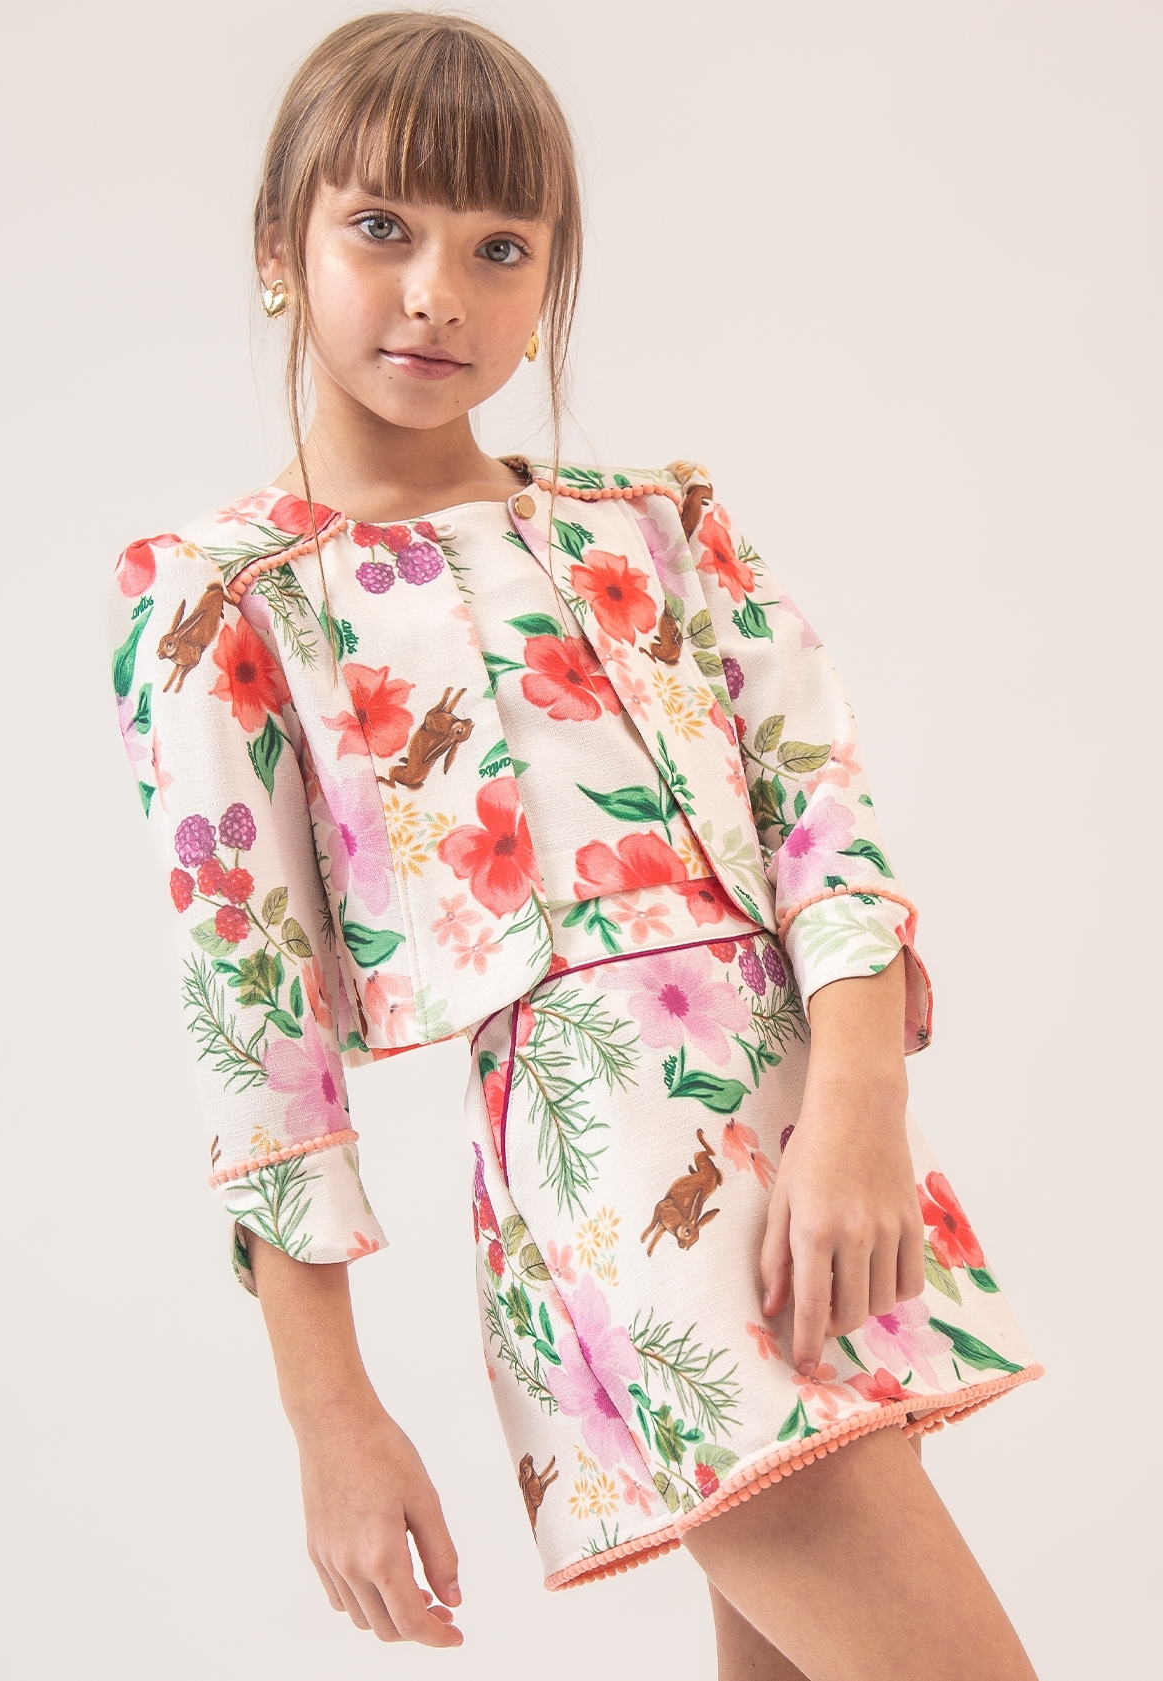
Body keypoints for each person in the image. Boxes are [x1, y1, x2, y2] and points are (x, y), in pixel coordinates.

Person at [109, 13, 1042, 1677]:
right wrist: (331, 1414)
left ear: (549, 279)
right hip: (614, 1189)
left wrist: (860, 1108)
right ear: (277, 247)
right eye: (381, 226)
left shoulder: (660, 528)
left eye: (500, 246)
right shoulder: (224, 603)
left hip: (823, 1142)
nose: (437, 293)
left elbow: (823, 814)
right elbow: (253, 1032)